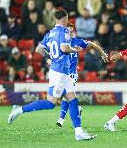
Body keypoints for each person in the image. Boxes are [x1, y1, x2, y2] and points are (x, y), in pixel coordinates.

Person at [7, 9, 94, 141]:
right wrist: (75, 49)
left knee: (73, 100)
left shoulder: (50, 33)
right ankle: (20, 110)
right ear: (65, 18)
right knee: (51, 102)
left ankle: (79, 132)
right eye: (67, 18)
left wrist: (51, 57)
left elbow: (38, 49)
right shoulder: (64, 31)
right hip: (59, 72)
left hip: (61, 71)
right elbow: (65, 49)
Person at [56, 22, 108, 127]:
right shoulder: (59, 42)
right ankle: (77, 108)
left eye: (71, 31)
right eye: (67, 31)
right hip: (61, 73)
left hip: (71, 74)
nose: (69, 33)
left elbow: (92, 44)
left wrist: (102, 53)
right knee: (63, 96)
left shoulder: (77, 42)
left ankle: (61, 119)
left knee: (66, 95)